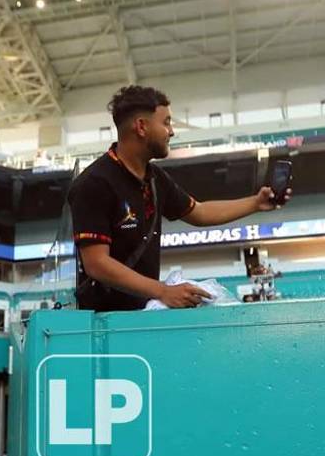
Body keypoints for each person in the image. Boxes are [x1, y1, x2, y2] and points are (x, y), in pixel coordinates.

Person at [69, 85, 290, 311]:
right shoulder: (94, 183)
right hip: (100, 325)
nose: (172, 131)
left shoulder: (155, 179)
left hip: (140, 316)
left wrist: (255, 202)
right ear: (142, 127)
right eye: (166, 122)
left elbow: (200, 212)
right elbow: (96, 263)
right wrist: (162, 291)